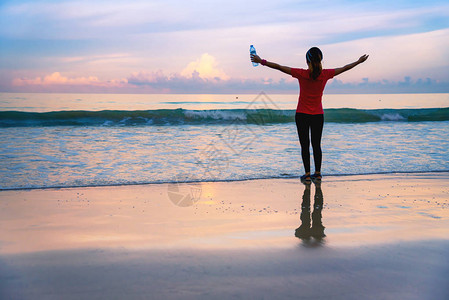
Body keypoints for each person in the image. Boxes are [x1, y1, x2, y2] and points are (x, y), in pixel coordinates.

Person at [251, 47, 368, 182]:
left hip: (302, 114)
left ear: (307, 61)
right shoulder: (325, 74)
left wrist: (261, 61)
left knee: (305, 145)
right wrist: (358, 62)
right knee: (316, 145)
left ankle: (307, 175)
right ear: (320, 60)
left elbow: (279, 67)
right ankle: (317, 174)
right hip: (318, 115)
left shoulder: (302, 74)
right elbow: (345, 68)